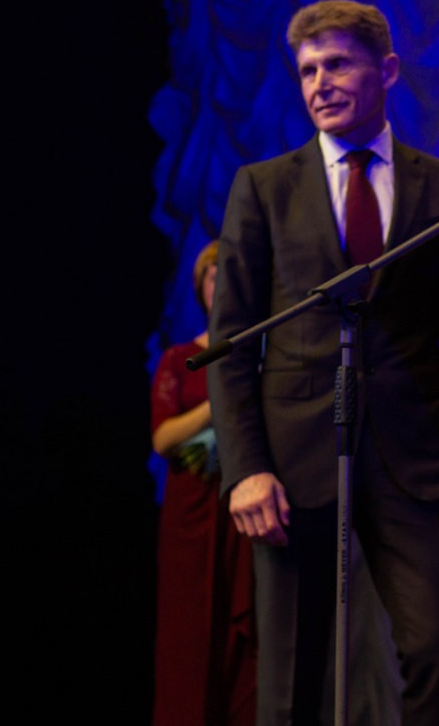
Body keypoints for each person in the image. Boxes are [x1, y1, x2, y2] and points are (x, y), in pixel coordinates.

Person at [207, 0, 439, 726]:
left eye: (337, 64)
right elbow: (232, 342)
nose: (320, 83)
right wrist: (246, 468)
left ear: (387, 70)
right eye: (308, 70)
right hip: (294, 463)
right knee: (292, 678)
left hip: (418, 458)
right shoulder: (264, 187)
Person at [150, 240, 257, 726]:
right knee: (189, 630)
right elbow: (161, 438)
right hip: (192, 512)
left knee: (244, 629)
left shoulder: (255, 354)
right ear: (200, 287)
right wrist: (218, 404)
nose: (220, 284)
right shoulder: (178, 359)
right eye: (212, 275)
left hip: (241, 507)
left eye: (227, 274)